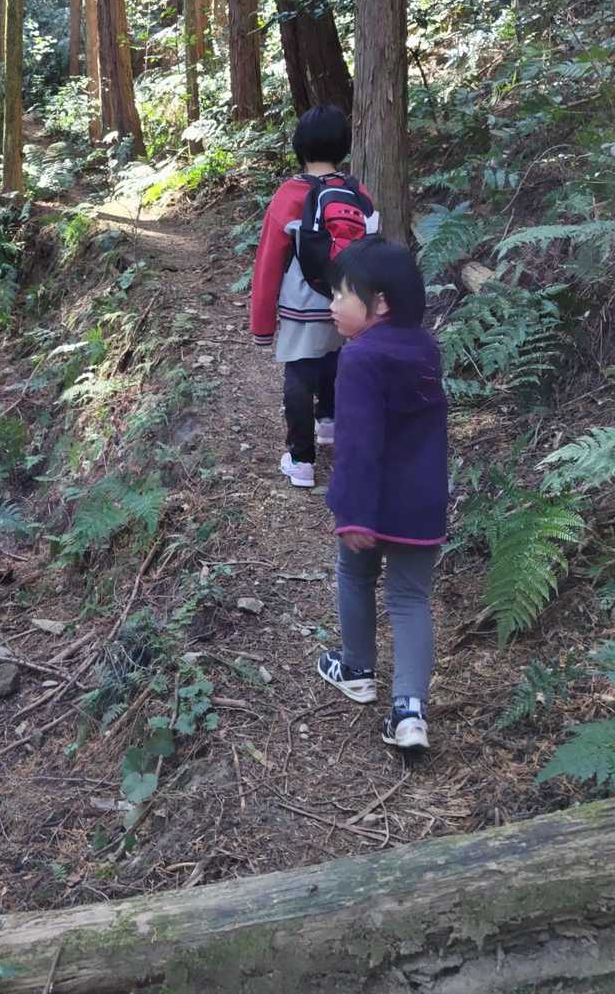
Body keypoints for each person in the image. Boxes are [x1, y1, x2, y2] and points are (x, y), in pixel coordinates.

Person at [316, 237, 448, 750]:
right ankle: (410, 714)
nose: (333, 303)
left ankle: (356, 669)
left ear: (381, 303)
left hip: (370, 503)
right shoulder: (426, 349)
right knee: (411, 599)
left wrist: (352, 513)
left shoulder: (360, 357)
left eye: (342, 294)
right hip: (423, 502)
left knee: (355, 575)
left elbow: (357, 443)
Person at [250, 106, 377, 489]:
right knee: (334, 358)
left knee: (300, 373)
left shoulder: (290, 195)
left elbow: (269, 263)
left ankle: (301, 460)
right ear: (343, 146)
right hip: (348, 300)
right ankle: (330, 422)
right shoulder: (358, 192)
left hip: (301, 304)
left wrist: (262, 326)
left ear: (299, 146)